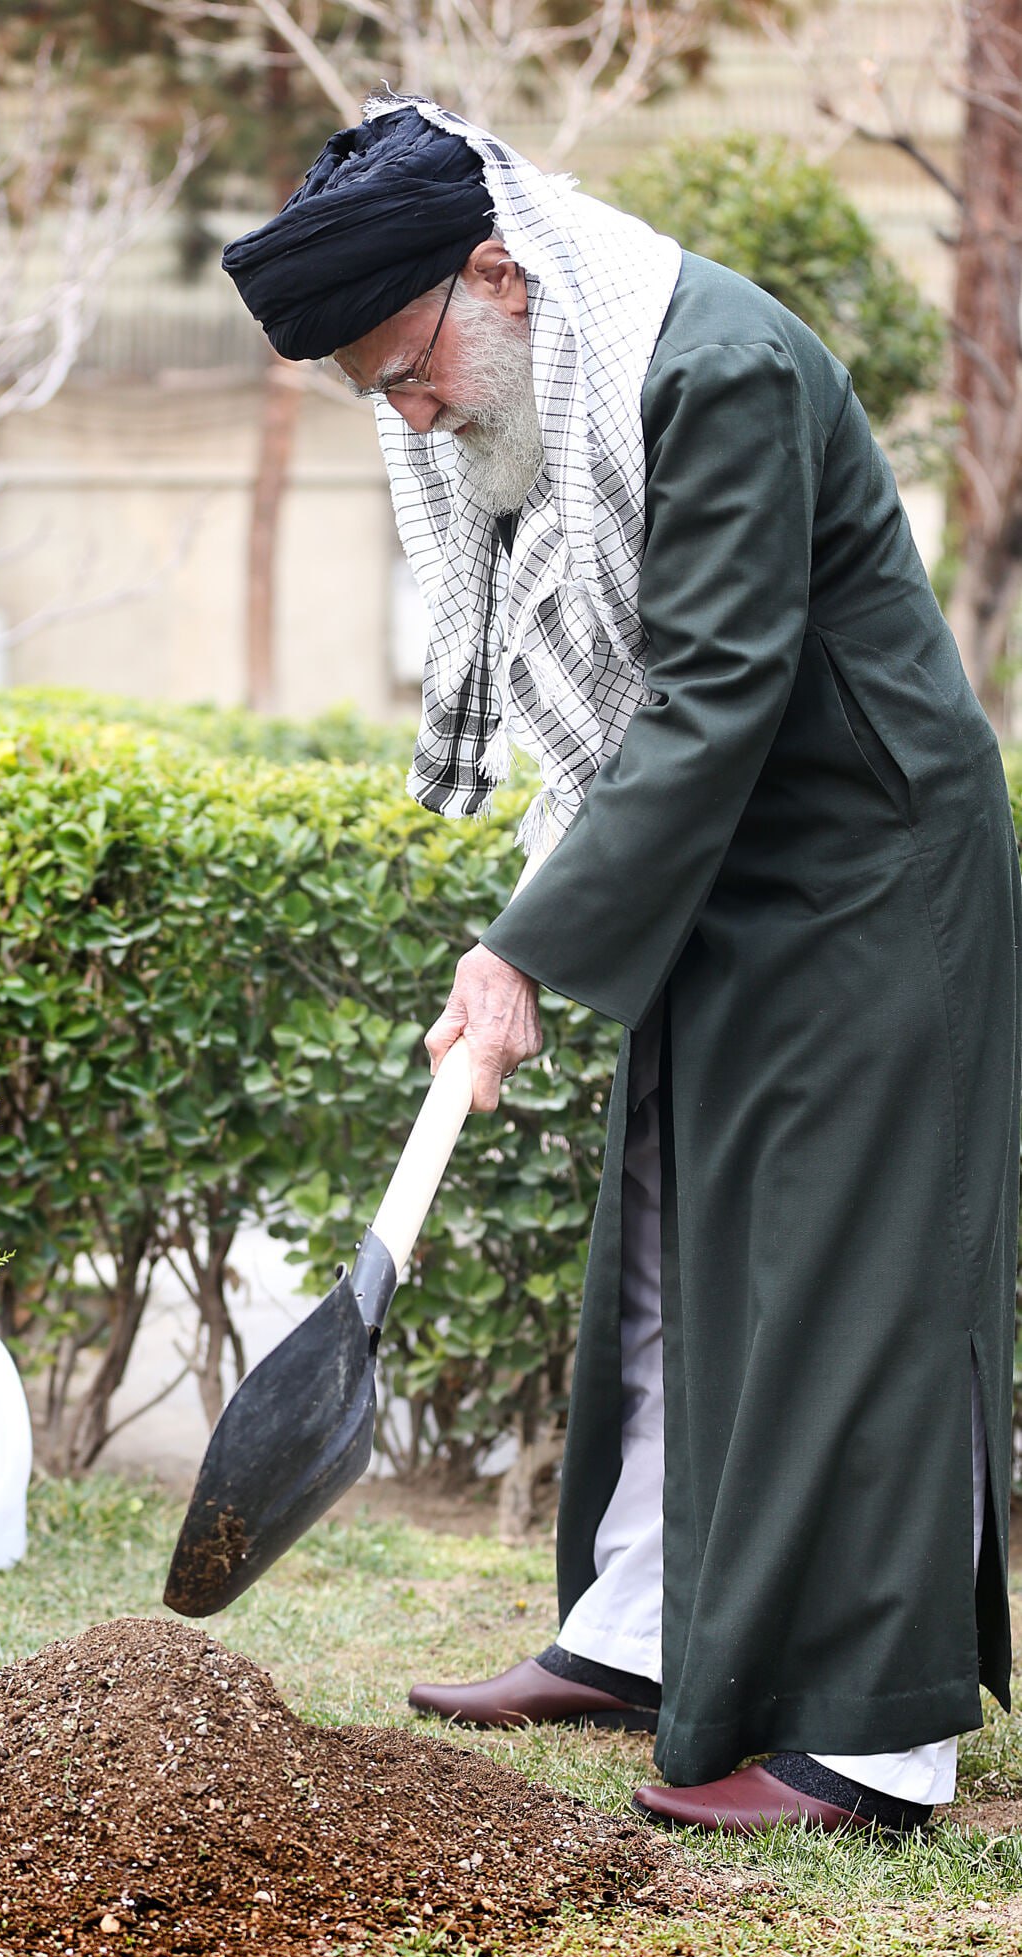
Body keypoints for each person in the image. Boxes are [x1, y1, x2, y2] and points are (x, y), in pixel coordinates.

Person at [222, 96, 1020, 1836]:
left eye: (406, 369)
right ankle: (641, 1635)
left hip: (868, 863)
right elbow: (612, 701)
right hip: (731, 856)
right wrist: (531, 919)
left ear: (494, 277)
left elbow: (718, 692)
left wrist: (525, 955)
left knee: (853, 1275)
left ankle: (876, 1742)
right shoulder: (535, 382)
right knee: (664, 1238)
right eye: (376, 392)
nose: (408, 413)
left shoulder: (708, 369)